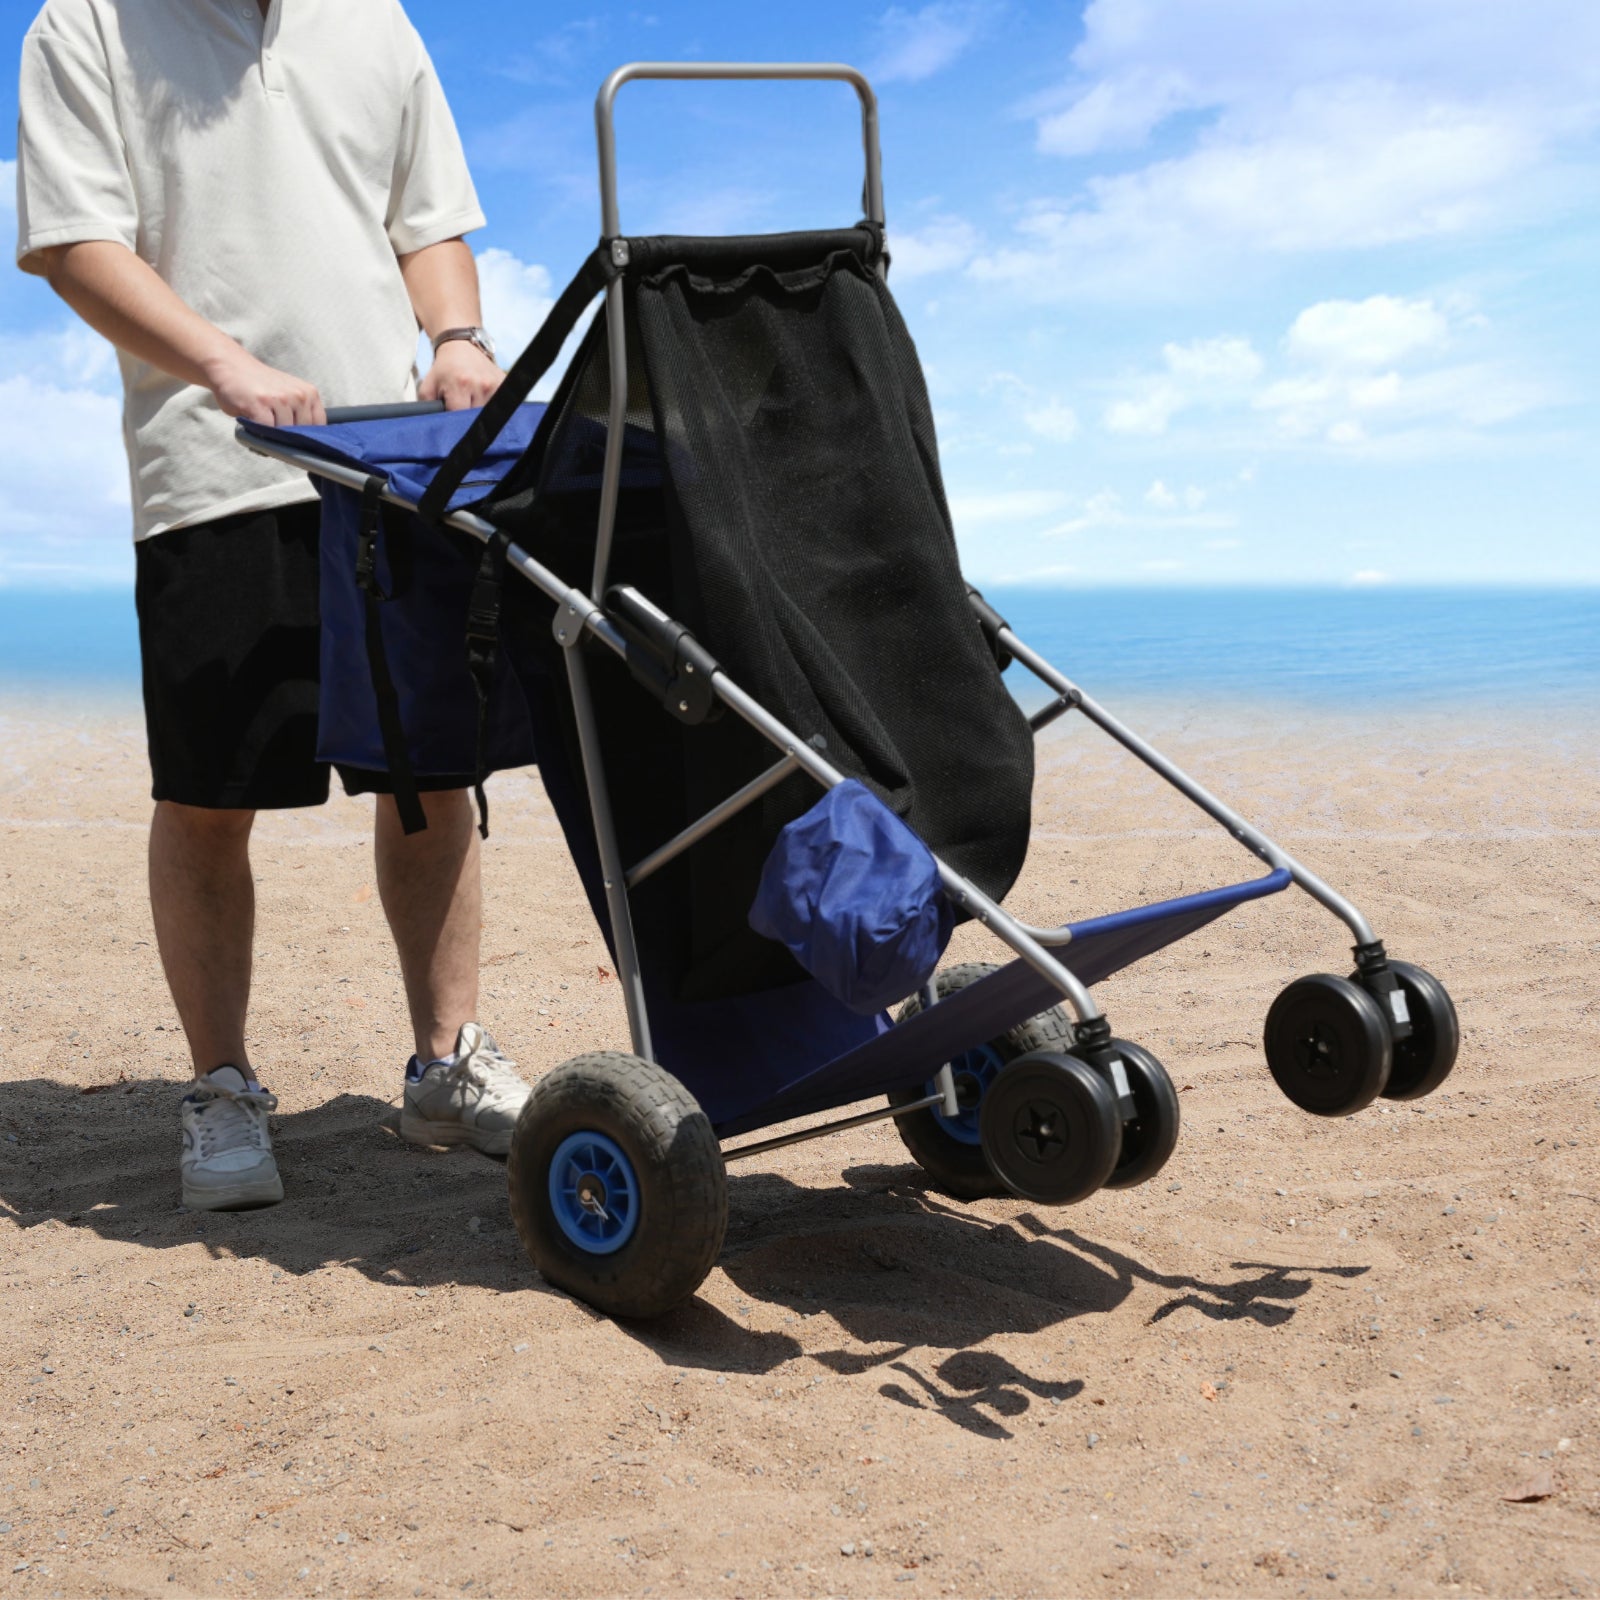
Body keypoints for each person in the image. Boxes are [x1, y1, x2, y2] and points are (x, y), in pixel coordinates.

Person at [14, 0, 532, 1210]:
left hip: (395, 466)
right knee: (208, 794)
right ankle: (223, 1086)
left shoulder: (372, 19)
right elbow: (76, 242)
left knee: (430, 773)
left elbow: (429, 214)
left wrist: (455, 334)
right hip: (212, 470)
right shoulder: (82, 23)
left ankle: (445, 1064)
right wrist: (223, 365)